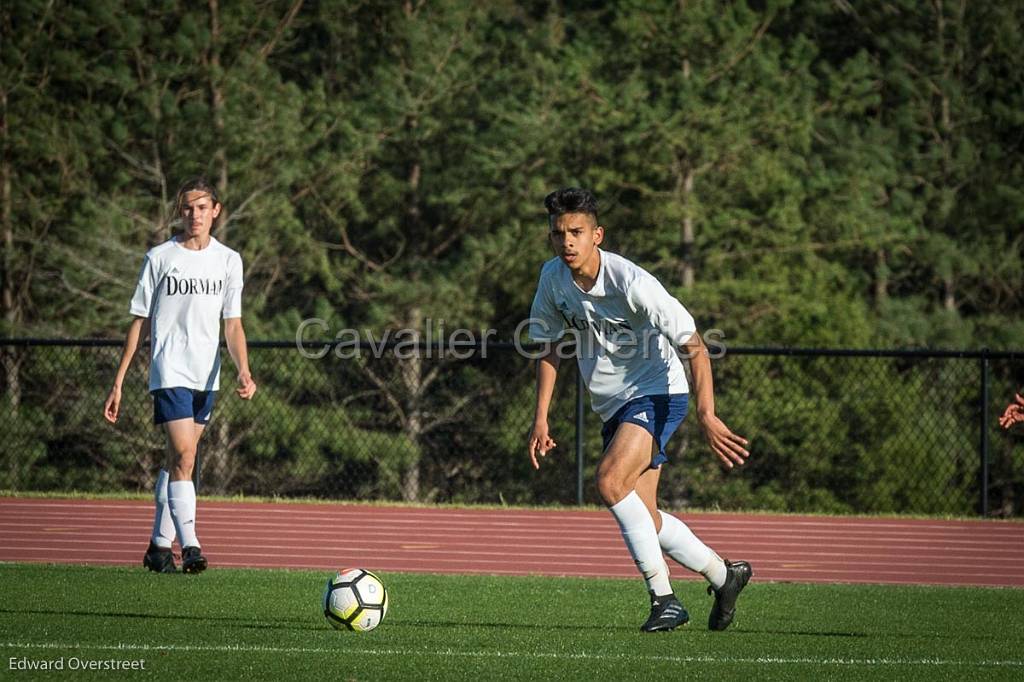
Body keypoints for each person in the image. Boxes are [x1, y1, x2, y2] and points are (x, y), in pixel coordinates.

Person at [527, 187, 751, 632]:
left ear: (598, 235)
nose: (567, 241)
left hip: (659, 393)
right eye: (558, 233)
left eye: (577, 232)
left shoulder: (633, 283)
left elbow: (695, 347)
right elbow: (549, 346)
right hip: (613, 404)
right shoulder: (552, 278)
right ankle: (724, 575)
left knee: (609, 482)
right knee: (645, 517)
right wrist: (541, 416)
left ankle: (664, 598)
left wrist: (707, 414)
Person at [104, 177, 256, 574]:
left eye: (202, 208)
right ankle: (190, 545)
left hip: (207, 375)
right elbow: (138, 322)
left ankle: (157, 547)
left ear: (216, 210)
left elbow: (234, 324)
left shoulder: (229, 260)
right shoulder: (160, 257)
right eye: (188, 208)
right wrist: (118, 381)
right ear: (179, 211)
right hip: (169, 368)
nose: (195, 215)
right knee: (186, 456)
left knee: (177, 460)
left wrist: (243, 369)